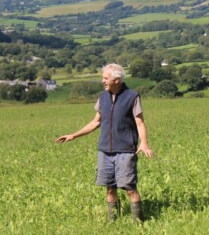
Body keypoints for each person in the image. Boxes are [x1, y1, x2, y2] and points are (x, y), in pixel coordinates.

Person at [55, 63, 153, 223]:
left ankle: (139, 225)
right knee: (109, 189)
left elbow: (140, 123)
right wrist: (73, 135)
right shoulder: (102, 97)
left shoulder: (132, 96)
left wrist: (144, 143)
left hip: (126, 151)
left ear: (116, 79)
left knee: (130, 189)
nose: (102, 81)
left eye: (105, 78)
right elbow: (95, 122)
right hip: (105, 151)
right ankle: (112, 222)